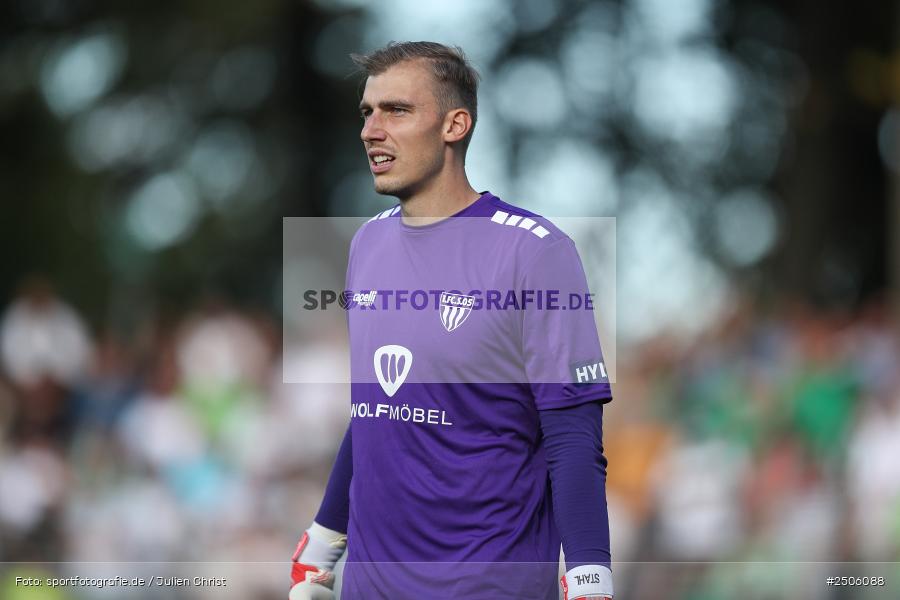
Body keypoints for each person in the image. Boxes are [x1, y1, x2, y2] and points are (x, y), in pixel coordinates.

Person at [289, 41, 614, 600]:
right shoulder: (367, 244)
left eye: (397, 110)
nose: (371, 129)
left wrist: (591, 578)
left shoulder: (535, 252)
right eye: (367, 112)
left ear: (454, 125)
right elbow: (377, 410)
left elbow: (572, 438)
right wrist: (324, 536)